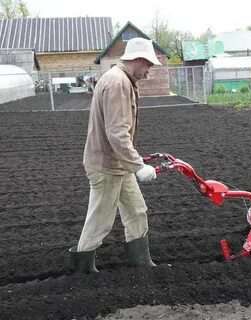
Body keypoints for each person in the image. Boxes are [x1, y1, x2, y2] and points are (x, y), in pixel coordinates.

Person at [68, 38, 161, 273]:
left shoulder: (121, 79)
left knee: (137, 210)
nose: (149, 72)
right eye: (148, 65)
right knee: (100, 219)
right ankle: (83, 269)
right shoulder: (118, 83)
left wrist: (132, 164)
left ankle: (141, 262)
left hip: (118, 165)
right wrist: (138, 166)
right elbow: (117, 133)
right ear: (138, 60)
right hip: (106, 165)